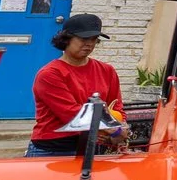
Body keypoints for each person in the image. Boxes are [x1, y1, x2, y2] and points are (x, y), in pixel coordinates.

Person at [29, 13, 126, 157]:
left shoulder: (107, 71)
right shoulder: (50, 74)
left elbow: (115, 107)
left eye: (94, 39)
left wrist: (121, 127)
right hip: (54, 149)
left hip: (94, 146)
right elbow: (72, 114)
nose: (90, 44)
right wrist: (115, 130)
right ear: (66, 39)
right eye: (84, 38)